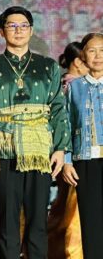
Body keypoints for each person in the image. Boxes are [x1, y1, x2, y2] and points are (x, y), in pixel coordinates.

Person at [0, 6, 69, 259]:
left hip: (40, 151)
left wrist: (61, 148)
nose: (18, 31)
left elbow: (58, 108)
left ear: (31, 30)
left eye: (23, 26)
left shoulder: (48, 66)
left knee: (38, 220)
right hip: (5, 151)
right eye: (12, 26)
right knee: (7, 221)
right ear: (1, 31)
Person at [62, 32, 103, 257]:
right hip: (85, 161)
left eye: (102, 50)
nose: (98, 56)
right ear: (83, 56)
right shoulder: (74, 87)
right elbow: (65, 125)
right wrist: (67, 161)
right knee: (91, 221)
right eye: (92, 51)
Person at [47, 41, 87, 259]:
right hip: (74, 157)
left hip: (68, 156)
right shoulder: (71, 88)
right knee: (72, 213)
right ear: (78, 62)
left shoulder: (64, 85)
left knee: (64, 209)